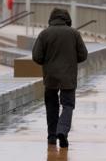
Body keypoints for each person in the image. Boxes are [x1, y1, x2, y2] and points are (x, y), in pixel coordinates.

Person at [32, 8, 88, 148]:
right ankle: (62, 131)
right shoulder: (74, 34)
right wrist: (71, 59)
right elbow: (83, 55)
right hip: (68, 77)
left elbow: (36, 56)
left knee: (51, 105)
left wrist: (47, 62)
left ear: (51, 18)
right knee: (68, 105)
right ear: (67, 19)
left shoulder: (44, 34)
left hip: (50, 77)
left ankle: (51, 137)